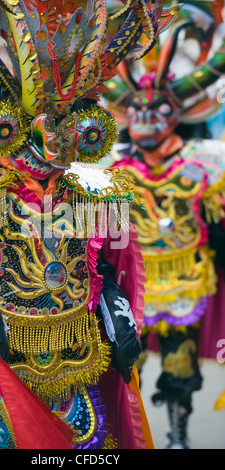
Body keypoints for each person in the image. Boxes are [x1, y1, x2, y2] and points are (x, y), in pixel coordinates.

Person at [0, 0, 179, 449]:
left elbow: (99, 262)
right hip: (0, 363)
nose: (52, 144)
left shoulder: (91, 189)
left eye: (66, 128)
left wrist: (116, 311)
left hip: (79, 355)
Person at [105, 2, 225, 449]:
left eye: (157, 111)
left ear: (177, 112)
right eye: (139, 112)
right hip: (125, 286)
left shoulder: (205, 165)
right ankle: (126, 434)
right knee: (120, 364)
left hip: (184, 281)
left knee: (179, 365)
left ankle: (176, 433)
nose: (148, 120)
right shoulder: (113, 169)